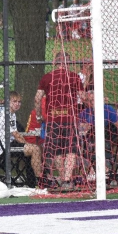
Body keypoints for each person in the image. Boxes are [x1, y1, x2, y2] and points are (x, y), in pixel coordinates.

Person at [36, 53, 83, 188]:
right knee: (71, 150)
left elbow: (37, 98)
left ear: (55, 63)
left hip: (53, 119)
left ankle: (62, 177)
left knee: (56, 149)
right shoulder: (74, 77)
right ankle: (67, 180)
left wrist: (39, 115)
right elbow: (83, 97)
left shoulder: (47, 77)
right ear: (69, 63)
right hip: (70, 119)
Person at [80, 87, 118, 179]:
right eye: (89, 100)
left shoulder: (108, 109)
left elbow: (117, 126)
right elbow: (81, 129)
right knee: (89, 148)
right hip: (93, 144)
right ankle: (106, 171)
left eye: (93, 100)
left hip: (109, 142)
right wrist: (84, 126)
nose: (92, 102)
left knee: (116, 149)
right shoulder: (84, 113)